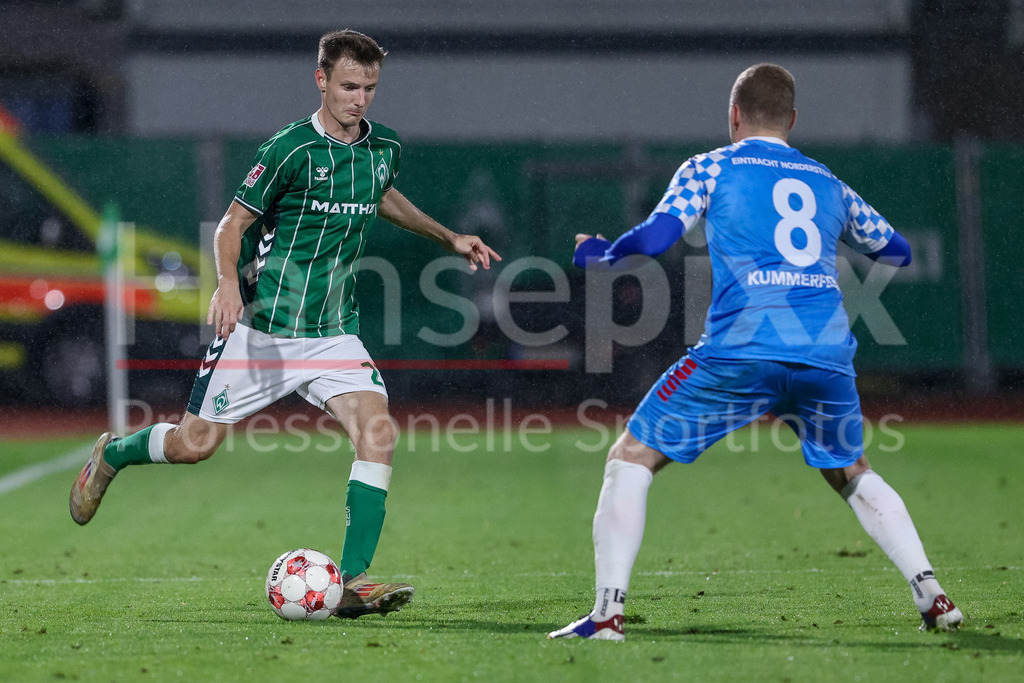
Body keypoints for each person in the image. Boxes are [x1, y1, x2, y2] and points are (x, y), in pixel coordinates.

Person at [69, 29, 500, 619]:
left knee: (378, 434)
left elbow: (382, 196)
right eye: (349, 86)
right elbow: (230, 226)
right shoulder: (289, 149)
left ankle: (350, 581)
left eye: (370, 88)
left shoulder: (384, 148)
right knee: (195, 446)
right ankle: (114, 455)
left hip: (332, 334)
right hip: (262, 331)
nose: (360, 99)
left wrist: (449, 236)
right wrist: (226, 283)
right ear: (321, 80)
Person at [549, 63, 962, 641]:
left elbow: (661, 234)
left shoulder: (712, 166)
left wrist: (605, 253)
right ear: (792, 120)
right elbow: (896, 251)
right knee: (852, 470)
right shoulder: (827, 181)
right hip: (823, 353)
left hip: (740, 349)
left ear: (734, 115)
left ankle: (607, 614)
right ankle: (934, 596)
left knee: (630, 457)